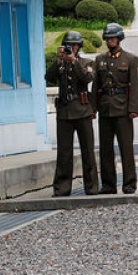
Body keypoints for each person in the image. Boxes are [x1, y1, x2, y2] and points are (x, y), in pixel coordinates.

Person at [44, 31, 98, 197]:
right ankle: (62, 188)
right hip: (64, 112)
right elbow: (49, 77)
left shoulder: (86, 62)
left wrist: (73, 61)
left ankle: (92, 187)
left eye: (74, 45)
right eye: (68, 45)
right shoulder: (61, 64)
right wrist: (58, 61)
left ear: (79, 47)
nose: (71, 48)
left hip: (82, 111)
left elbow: (87, 78)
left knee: (88, 151)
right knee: (64, 153)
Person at [91, 23, 138, 195]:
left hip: (123, 109)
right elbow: (96, 86)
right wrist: (93, 108)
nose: (110, 41)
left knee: (126, 148)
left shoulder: (130, 59)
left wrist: (133, 109)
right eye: (107, 38)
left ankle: (129, 184)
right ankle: (108, 185)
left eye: (113, 38)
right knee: (105, 149)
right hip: (105, 108)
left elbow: (134, 85)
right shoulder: (100, 59)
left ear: (119, 39)